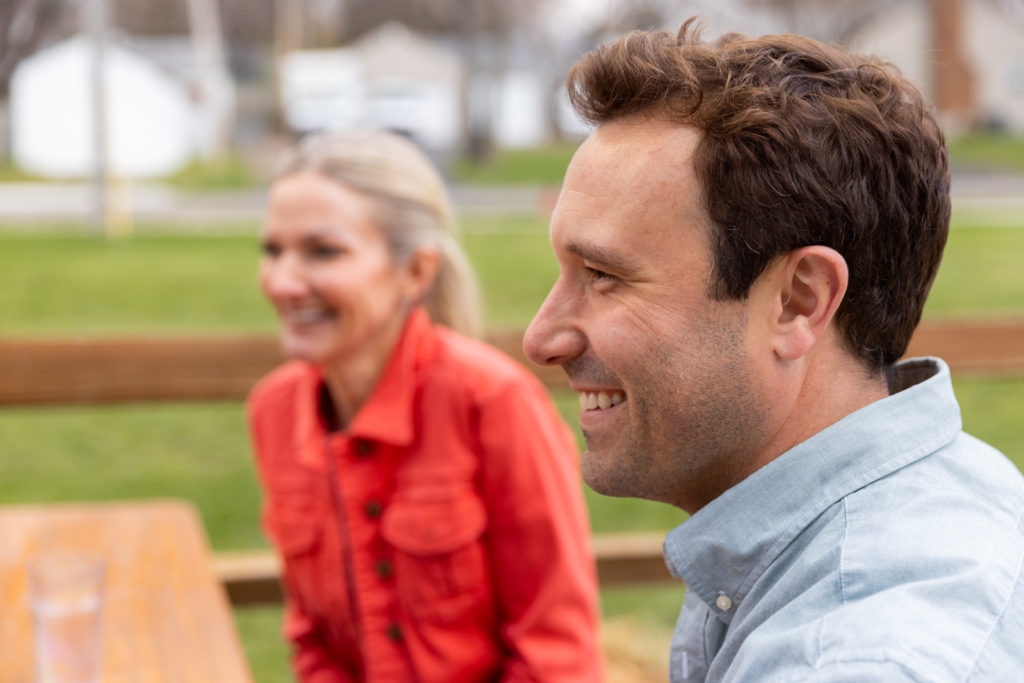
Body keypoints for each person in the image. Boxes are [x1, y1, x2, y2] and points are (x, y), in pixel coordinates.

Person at [524, 18, 1024, 682]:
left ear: (798, 301)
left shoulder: (857, 656)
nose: (541, 338)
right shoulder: (948, 486)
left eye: (604, 275)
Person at [247, 128, 604, 682]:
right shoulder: (273, 412)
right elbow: (313, 641)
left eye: (322, 251)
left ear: (415, 271)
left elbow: (556, 653)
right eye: (273, 250)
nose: (283, 282)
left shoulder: (493, 402)